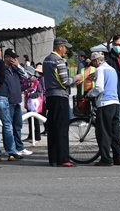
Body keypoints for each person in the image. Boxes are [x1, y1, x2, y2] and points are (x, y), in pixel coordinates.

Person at [42, 37, 84, 167]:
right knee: (62, 128)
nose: (66, 50)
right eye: (65, 47)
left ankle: (53, 158)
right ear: (59, 46)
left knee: (53, 128)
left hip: (50, 96)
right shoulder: (58, 60)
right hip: (60, 96)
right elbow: (65, 81)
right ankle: (63, 158)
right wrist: (77, 77)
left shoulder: (46, 60)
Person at [89, 52, 120, 166]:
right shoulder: (112, 69)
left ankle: (106, 158)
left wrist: (90, 93)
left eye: (92, 62)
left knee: (104, 132)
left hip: (105, 103)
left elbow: (99, 88)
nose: (92, 64)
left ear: (97, 60)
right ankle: (119, 157)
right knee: (114, 132)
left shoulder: (100, 70)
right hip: (115, 103)